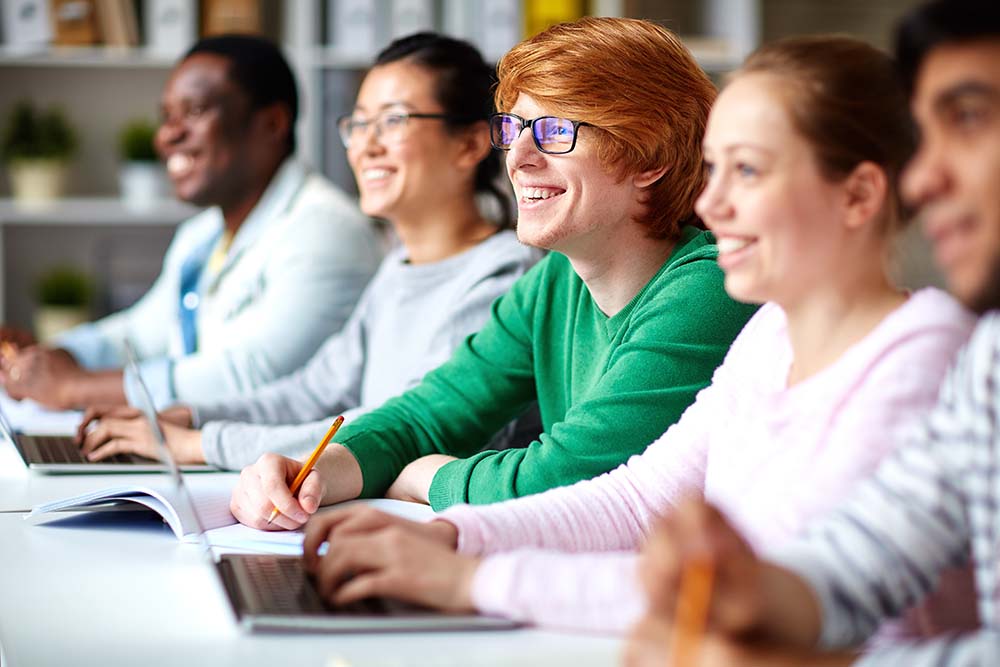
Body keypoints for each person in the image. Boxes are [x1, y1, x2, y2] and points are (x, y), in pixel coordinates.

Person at [290, 34, 979, 640]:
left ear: (859, 196)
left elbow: (770, 588)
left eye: (746, 170)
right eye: (714, 169)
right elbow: (633, 499)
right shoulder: (773, 330)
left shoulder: (926, 352)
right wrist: (446, 535)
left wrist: (460, 565)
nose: (710, 203)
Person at [229, 16, 759, 524]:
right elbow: (425, 415)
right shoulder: (554, 281)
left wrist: (425, 478)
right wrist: (314, 470)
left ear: (650, 157)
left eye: (555, 130)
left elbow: (562, 481)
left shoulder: (708, 289)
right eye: (514, 127)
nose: (518, 157)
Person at [624, 1, 1000, 665]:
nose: (923, 178)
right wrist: (747, 589)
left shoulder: (934, 345)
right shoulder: (989, 356)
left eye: (969, 118)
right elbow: (865, 555)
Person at [71, 33, 541, 470]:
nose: (365, 145)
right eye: (358, 123)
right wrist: (190, 416)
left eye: (394, 120)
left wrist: (201, 444)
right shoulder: (398, 268)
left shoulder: (502, 279)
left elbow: (402, 430)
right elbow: (311, 394)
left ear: (472, 143)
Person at [0, 35, 381, 411]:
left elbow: (251, 375)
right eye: (166, 116)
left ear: (272, 123)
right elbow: (137, 336)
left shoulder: (325, 231)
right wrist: (48, 358)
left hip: (283, 468)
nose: (167, 135)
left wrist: (75, 387)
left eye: (195, 111)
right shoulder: (203, 235)